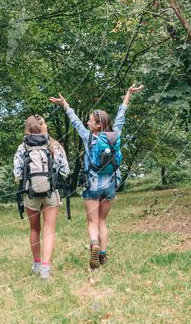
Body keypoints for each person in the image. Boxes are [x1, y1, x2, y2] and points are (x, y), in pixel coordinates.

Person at [49, 85, 144, 269]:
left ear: (98, 125)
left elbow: (75, 121)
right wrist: (128, 95)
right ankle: (102, 255)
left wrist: (65, 105)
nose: (87, 123)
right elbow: (121, 117)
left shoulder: (89, 137)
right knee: (102, 221)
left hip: (92, 185)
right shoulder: (114, 135)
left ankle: (94, 243)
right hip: (110, 185)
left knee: (92, 221)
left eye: (90, 121)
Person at [13, 114, 70, 280]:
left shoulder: (22, 148)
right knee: (49, 230)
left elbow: (17, 174)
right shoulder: (54, 146)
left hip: (30, 194)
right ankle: (46, 270)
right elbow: (65, 172)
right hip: (51, 193)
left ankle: (37, 264)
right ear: (43, 127)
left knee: (34, 229)